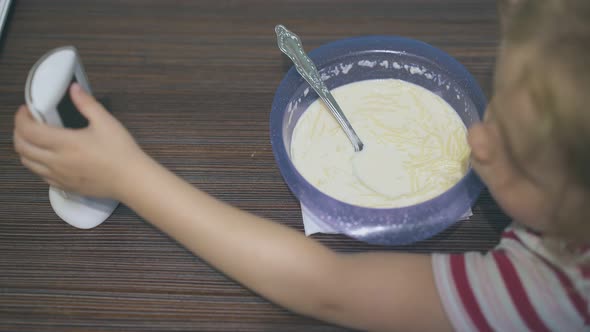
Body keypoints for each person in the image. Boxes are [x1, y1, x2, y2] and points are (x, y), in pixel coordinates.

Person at [12, 0, 590, 330]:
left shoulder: (551, 294)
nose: (477, 139)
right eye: (493, 99)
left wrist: (127, 177)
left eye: (514, 149)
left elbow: (327, 287)